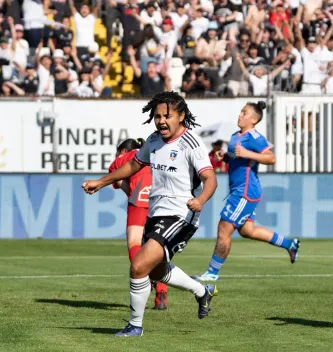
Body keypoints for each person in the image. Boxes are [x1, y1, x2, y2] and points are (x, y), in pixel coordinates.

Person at [82, 91, 218, 337]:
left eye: (167, 116)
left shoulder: (192, 144)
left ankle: (135, 325)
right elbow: (134, 164)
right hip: (156, 214)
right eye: (157, 116)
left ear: (181, 116)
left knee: (138, 266)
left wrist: (200, 199)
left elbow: (210, 179)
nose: (161, 121)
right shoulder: (154, 140)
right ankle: (202, 292)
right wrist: (101, 182)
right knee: (155, 270)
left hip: (180, 215)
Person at [194, 101, 300, 282]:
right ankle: (290, 244)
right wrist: (225, 156)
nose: (239, 115)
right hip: (242, 191)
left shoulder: (254, 137)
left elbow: (271, 158)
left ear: (253, 119)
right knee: (247, 230)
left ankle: (212, 273)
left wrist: (247, 154)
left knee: (223, 230)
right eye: (240, 112)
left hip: (244, 193)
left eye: (244, 113)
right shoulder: (236, 136)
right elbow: (238, 158)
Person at [108, 137, 169, 310]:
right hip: (161, 203)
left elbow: (116, 175)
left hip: (140, 199)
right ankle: (162, 290)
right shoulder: (156, 153)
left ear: (122, 151)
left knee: (135, 243)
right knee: (156, 249)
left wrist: (131, 191)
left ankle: (146, 280)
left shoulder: (128, 156)